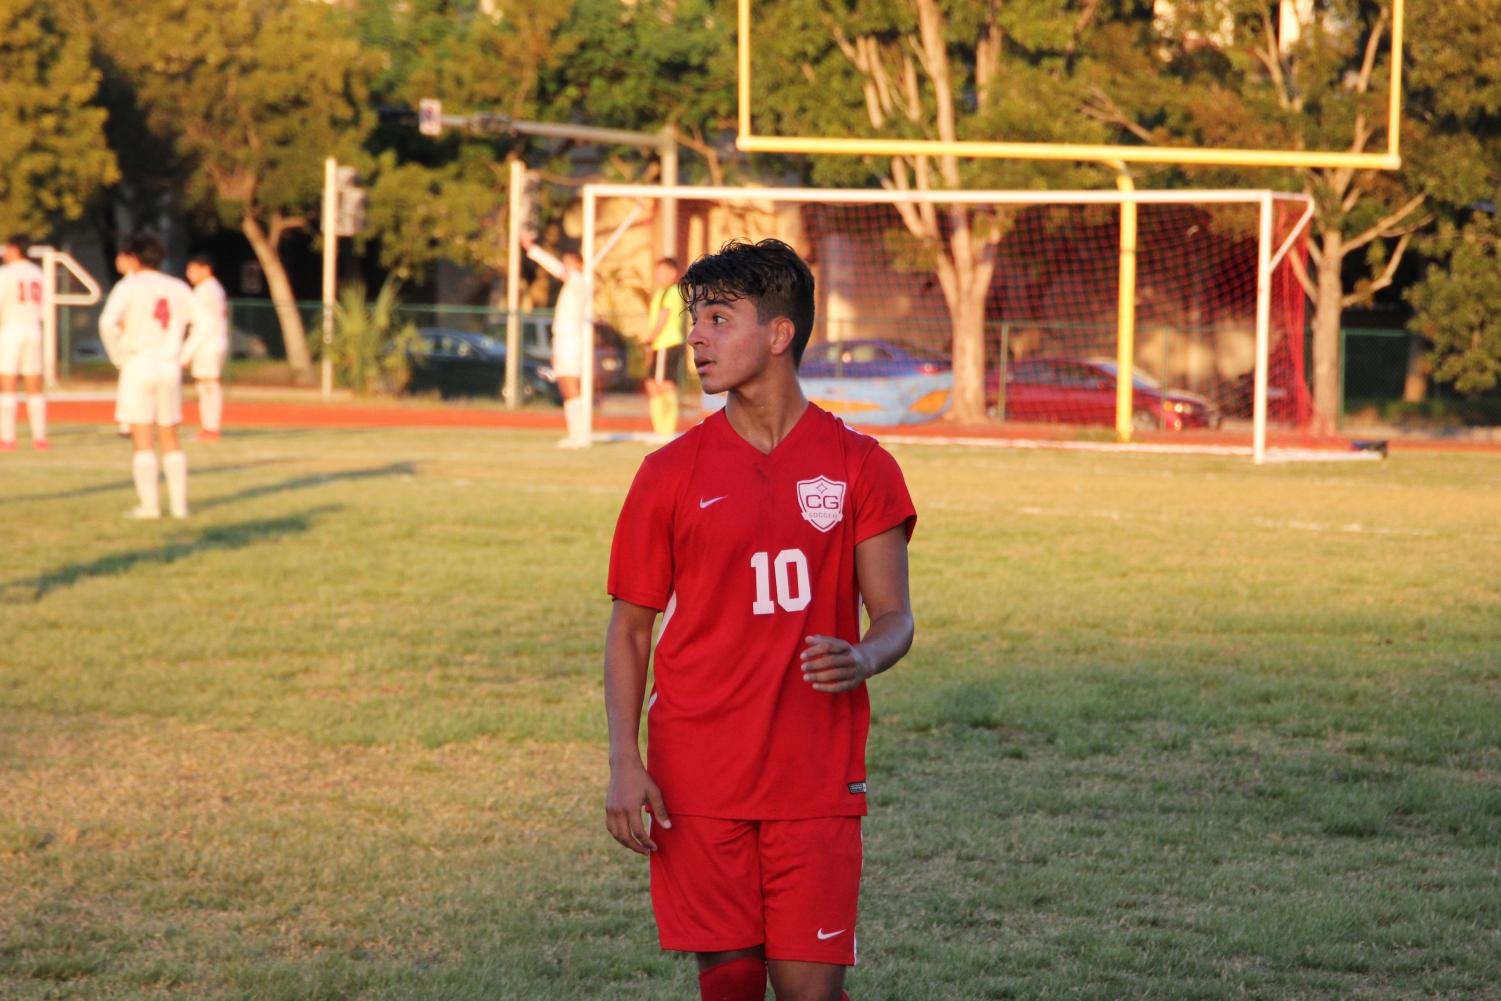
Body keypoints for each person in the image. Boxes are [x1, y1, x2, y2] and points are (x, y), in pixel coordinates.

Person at [604, 239, 917, 1001]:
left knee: (810, 991)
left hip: (813, 773)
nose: (696, 337)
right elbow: (630, 629)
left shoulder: (858, 465)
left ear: (778, 335)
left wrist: (865, 656)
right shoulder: (667, 474)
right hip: (697, 776)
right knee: (733, 985)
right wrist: (624, 759)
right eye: (694, 318)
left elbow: (895, 617)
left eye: (718, 317)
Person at [99, 233, 197, 520]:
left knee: (142, 436)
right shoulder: (177, 286)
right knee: (169, 434)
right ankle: (179, 506)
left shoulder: (129, 286)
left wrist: (119, 357)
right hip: (168, 365)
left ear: (133, 257)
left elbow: (107, 323)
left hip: (138, 363)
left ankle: (150, 507)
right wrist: (185, 354)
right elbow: (204, 322)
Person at [521, 234, 593, 448]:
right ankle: (575, 434)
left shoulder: (579, 281)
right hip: (562, 340)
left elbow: (557, 270)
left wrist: (533, 249)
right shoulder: (569, 287)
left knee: (571, 384)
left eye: (571, 262)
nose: (566, 266)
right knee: (564, 385)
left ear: (580, 264)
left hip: (572, 340)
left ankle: (581, 435)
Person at [0, 236, 49, 451]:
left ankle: (8, 438)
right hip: (34, 330)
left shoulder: (7, 273)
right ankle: (40, 437)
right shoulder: (38, 273)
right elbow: (46, 307)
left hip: (11, 330)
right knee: (34, 386)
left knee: (8, 384)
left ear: (14, 249)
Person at [180, 252, 229, 441]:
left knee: (209, 385)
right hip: (210, 341)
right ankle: (208, 427)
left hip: (209, 343)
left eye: (192, 270)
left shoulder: (206, 290)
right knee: (205, 385)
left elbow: (203, 324)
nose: (189, 273)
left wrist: (187, 353)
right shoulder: (212, 288)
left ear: (206, 270)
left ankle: (211, 428)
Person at [643, 256, 686, 437]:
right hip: (659, 345)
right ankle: (659, 430)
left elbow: (663, 317)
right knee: (652, 384)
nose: (658, 275)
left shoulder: (673, 292)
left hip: (666, 343)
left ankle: (666, 432)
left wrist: (650, 339)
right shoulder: (661, 292)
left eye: (662, 271)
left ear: (673, 273)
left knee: (664, 384)